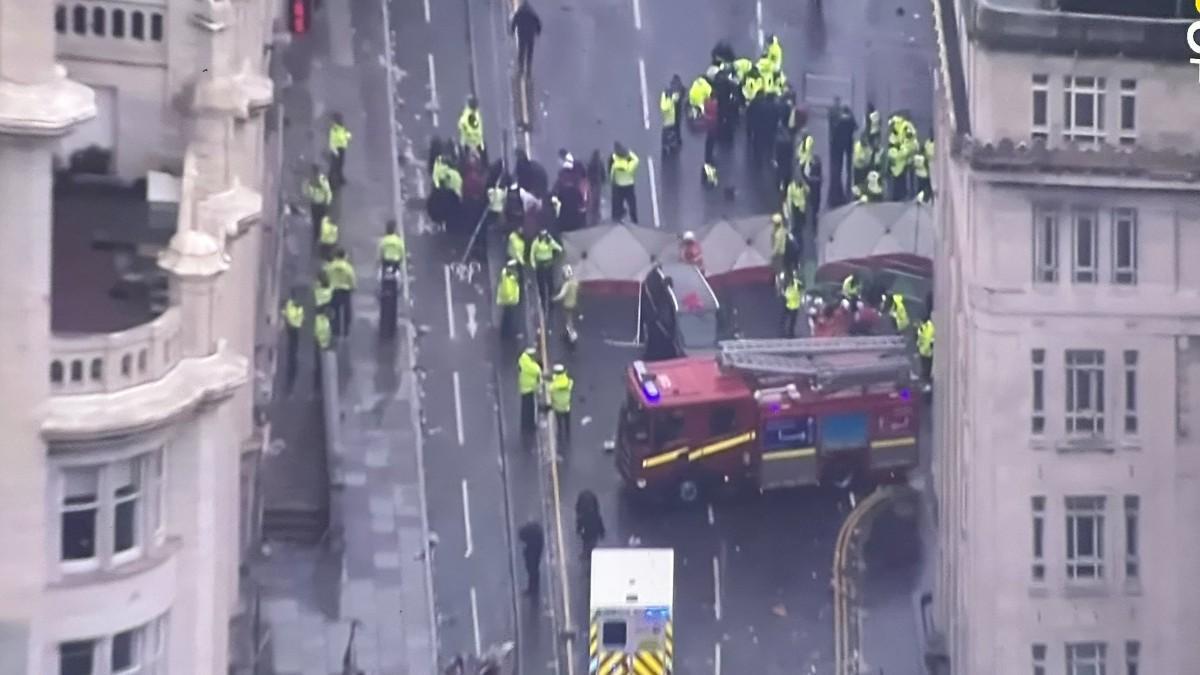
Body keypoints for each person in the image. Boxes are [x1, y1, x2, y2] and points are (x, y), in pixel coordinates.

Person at [325, 247, 357, 337]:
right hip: (345, 291)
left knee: (335, 311)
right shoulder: (348, 267)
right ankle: (346, 330)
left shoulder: (331, 266)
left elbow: (327, 276)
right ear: (344, 256)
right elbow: (352, 278)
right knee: (347, 311)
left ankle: (336, 330)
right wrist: (353, 287)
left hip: (334, 290)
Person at [530, 229, 562, 311]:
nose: (544, 237)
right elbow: (532, 254)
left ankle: (551, 303)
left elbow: (558, 248)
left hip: (548, 264)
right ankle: (543, 302)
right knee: (541, 284)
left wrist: (555, 258)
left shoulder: (549, 240)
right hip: (540, 265)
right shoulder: (536, 242)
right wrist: (534, 265)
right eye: (542, 235)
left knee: (550, 283)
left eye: (545, 235)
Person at [609, 143, 640, 223]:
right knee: (632, 203)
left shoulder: (615, 163)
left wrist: (612, 181)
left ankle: (618, 218)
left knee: (618, 203)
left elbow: (612, 173)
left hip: (619, 185)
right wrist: (629, 152)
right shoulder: (629, 164)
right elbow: (636, 160)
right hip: (629, 185)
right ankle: (634, 220)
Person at [282, 288, 305, 392]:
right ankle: (288, 387)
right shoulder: (292, 305)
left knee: (292, 359)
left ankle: (289, 387)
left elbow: (295, 320)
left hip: (293, 333)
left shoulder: (295, 306)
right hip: (291, 333)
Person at [510, 1, 542, 76]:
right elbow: (537, 22)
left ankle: (521, 69)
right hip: (530, 34)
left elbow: (514, 22)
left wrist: (512, 31)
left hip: (522, 34)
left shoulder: (519, 12)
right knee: (529, 52)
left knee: (521, 51)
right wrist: (538, 31)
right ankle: (528, 69)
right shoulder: (531, 13)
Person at [304, 165, 333, 244]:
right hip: (314, 204)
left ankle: (320, 236)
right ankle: (316, 235)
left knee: (320, 221)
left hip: (321, 204)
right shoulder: (310, 180)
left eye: (313, 173)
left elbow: (328, 192)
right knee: (315, 220)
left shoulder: (322, 180)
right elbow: (306, 191)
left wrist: (327, 203)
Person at [575, 490, 605, 560]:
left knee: (587, 543)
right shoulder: (594, 514)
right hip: (592, 531)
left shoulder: (583, 514)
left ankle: (587, 553)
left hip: (588, 531)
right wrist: (602, 532)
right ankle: (590, 553)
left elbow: (579, 521)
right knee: (590, 542)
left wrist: (578, 529)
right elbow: (599, 521)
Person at [548, 364, 574, 446]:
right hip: (566, 405)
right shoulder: (568, 382)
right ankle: (568, 434)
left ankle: (560, 436)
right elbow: (570, 383)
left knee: (559, 424)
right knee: (567, 422)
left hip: (558, 406)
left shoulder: (554, 385)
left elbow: (550, 388)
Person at [517, 347, 542, 433]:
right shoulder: (533, 367)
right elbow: (538, 373)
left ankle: (524, 426)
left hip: (523, 388)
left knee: (524, 409)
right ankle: (531, 427)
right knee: (531, 410)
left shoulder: (522, 360)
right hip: (530, 390)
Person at [552, 265, 579, 342]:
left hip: (567, 304)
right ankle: (570, 331)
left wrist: (554, 299)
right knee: (570, 318)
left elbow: (561, 295)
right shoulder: (575, 282)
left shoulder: (566, 284)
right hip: (573, 303)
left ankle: (571, 334)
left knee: (568, 319)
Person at [496, 260, 522, 339]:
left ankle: (505, 334)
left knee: (507, 317)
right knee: (511, 318)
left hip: (507, 299)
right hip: (510, 299)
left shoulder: (506, 275)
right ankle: (508, 334)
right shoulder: (511, 275)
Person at [518, 521, 544, 595]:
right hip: (534, 549)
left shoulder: (534, 541)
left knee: (532, 571)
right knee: (533, 570)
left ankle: (533, 588)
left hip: (534, 550)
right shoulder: (535, 535)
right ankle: (533, 588)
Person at [328, 112, 351, 188]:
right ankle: (331, 179)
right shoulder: (334, 127)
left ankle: (338, 178)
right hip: (336, 147)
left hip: (341, 147)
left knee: (339, 163)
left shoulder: (340, 126)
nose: (340, 119)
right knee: (335, 164)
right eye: (339, 118)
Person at [313, 306, 333, 390]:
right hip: (320, 346)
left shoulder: (322, 321)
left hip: (319, 346)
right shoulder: (323, 321)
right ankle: (318, 387)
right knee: (319, 369)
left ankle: (318, 387)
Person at [781, 269, 804, 338]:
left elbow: (783, 291)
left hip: (790, 303)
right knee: (790, 320)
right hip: (792, 304)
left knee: (788, 320)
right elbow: (801, 290)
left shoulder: (788, 283)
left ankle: (787, 333)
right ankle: (788, 333)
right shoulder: (796, 283)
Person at [804, 154, 823, 230]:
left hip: (814, 189)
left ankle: (814, 220)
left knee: (814, 205)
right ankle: (814, 220)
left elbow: (807, 176)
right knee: (815, 205)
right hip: (815, 189)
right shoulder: (817, 166)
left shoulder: (811, 166)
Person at [917, 316, 935, 392]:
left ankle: (927, 380)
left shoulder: (923, 328)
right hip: (926, 351)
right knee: (926, 367)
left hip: (925, 351)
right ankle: (927, 380)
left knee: (926, 367)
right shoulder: (925, 327)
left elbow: (920, 339)